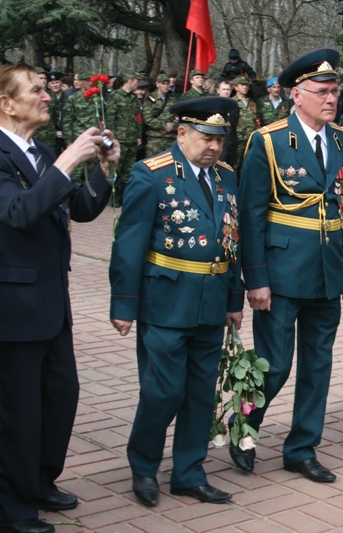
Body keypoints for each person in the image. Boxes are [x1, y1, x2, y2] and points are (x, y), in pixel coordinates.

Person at [231, 48, 343, 483]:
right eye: (322, 92)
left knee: (317, 367)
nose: (331, 99)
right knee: (274, 364)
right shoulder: (268, 141)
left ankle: (302, 448)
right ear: (296, 95)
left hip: (327, 271)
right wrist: (256, 278)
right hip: (283, 272)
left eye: (335, 91)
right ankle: (243, 429)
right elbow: (250, 215)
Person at [109, 97, 243, 507]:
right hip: (165, 300)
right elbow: (128, 244)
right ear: (181, 133)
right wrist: (124, 304)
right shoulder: (152, 174)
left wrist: (234, 297)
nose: (214, 147)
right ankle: (144, 466)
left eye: (219, 140)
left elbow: (233, 239)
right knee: (163, 391)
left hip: (211, 300)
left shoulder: (225, 177)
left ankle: (188, 472)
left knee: (201, 392)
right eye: (205, 138)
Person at [0, 62, 116, 533]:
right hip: (13, 308)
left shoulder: (39, 151)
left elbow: (81, 210)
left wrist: (104, 169)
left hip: (51, 302)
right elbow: (18, 211)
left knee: (59, 397)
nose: (47, 97)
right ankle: (12, 509)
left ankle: (40, 481)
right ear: (6, 103)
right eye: (36, 91)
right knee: (17, 412)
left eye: (47, 89)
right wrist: (69, 159)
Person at [105, 72, 142, 204]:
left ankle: (126, 197)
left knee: (129, 170)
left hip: (132, 139)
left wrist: (138, 136)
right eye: (137, 80)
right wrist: (112, 139)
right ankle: (112, 198)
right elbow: (110, 119)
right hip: (119, 139)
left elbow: (138, 118)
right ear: (129, 80)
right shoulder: (115, 96)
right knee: (116, 169)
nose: (138, 84)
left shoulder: (134, 98)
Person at [143, 74, 180, 158]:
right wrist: (163, 126)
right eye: (163, 83)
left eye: (167, 84)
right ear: (157, 84)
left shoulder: (173, 99)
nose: (166, 86)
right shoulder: (150, 98)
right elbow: (147, 118)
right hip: (155, 138)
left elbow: (178, 117)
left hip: (170, 138)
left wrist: (171, 126)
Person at [232, 75, 259, 172]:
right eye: (242, 84)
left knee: (247, 167)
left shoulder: (252, 103)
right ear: (236, 87)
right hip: (237, 140)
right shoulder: (232, 102)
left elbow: (256, 120)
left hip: (250, 139)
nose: (245, 87)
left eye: (247, 85)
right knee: (234, 166)